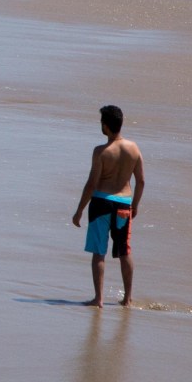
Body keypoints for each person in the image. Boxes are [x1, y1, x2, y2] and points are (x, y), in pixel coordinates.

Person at [71, 104, 145, 306]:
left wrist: (79, 210)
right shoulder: (134, 148)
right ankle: (127, 299)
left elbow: (92, 184)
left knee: (99, 253)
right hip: (123, 204)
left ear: (106, 126)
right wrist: (135, 205)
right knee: (124, 252)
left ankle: (99, 299)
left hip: (101, 204)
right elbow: (141, 181)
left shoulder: (101, 151)